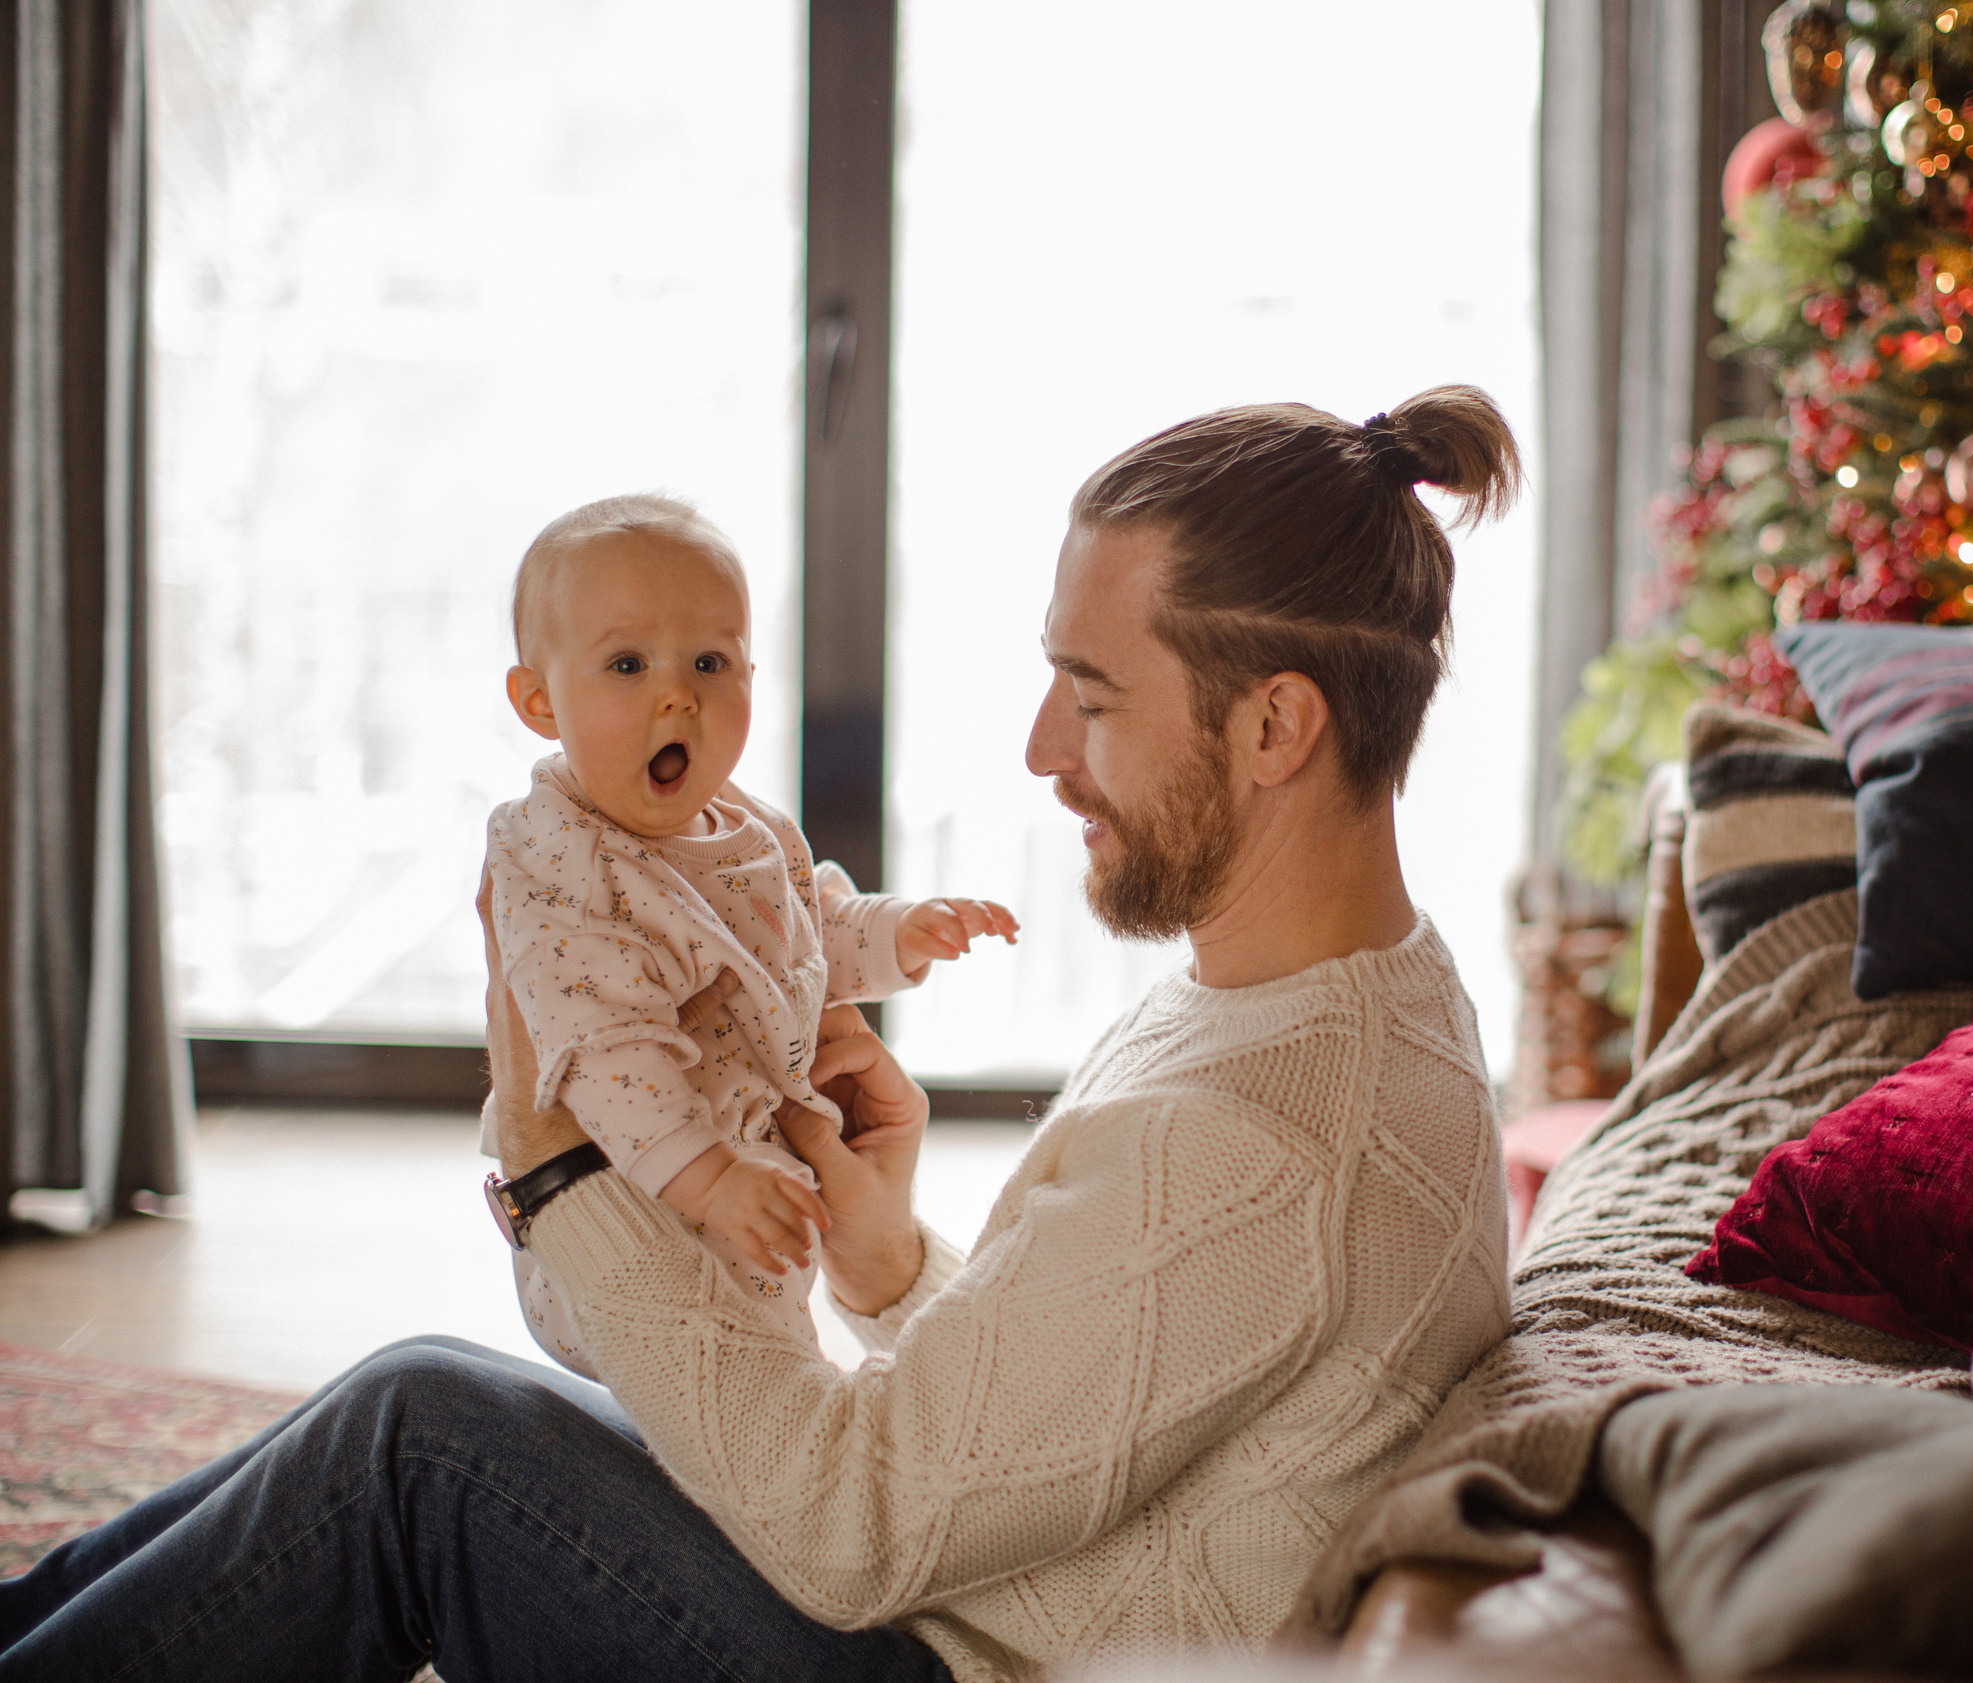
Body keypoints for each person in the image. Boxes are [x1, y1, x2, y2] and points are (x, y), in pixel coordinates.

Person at [0, 386, 1519, 1683]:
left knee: (430, 1438)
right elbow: (1101, 1400)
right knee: (431, 1391)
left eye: (1093, 693)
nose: (1043, 748)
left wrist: (558, 1168)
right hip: (973, 1610)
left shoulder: (1261, 1138)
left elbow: (856, 1532)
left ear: (1275, 727)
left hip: (944, 1655)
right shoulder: (1362, 992)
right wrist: (886, 1264)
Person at [485, 493, 1014, 1373]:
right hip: (633, 1198)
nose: (677, 697)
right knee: (717, 1382)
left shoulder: (749, 827)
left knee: (774, 1375)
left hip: (752, 1186)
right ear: (539, 700)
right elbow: (604, 1048)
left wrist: (904, 932)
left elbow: (813, 932)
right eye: (626, 664)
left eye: (708, 661)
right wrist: (712, 1179)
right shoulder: (561, 854)